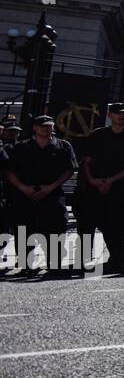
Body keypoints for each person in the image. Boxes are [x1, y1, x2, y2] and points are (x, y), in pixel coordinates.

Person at [79, 104, 124, 273]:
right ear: (110, 115)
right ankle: (84, 261)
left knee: (115, 225)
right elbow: (87, 161)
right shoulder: (98, 134)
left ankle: (117, 259)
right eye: (118, 113)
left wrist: (111, 180)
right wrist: (93, 180)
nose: (121, 116)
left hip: (119, 186)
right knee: (87, 224)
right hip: (94, 185)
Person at [4, 116, 76, 274]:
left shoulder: (63, 146)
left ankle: (54, 264)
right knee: (23, 229)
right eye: (42, 126)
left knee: (55, 228)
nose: (46, 129)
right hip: (25, 194)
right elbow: (10, 172)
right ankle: (26, 264)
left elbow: (69, 170)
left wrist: (51, 187)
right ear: (34, 128)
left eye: (49, 126)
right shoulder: (21, 147)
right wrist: (23, 188)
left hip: (52, 193)